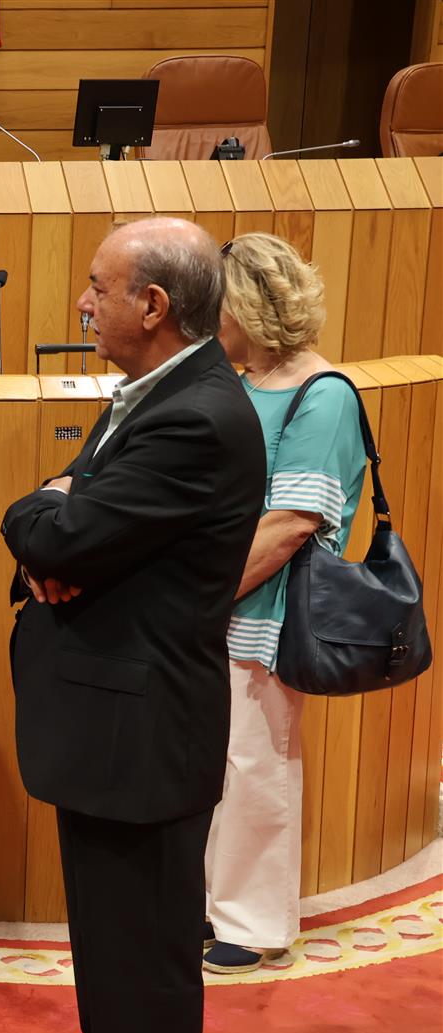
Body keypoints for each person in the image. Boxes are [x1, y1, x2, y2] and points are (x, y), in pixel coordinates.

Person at [2, 217, 266, 1033]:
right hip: (116, 729)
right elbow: (77, 534)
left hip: (142, 741)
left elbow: (59, 537)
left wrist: (46, 505)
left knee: (144, 964)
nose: (83, 304)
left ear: (153, 305)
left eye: (98, 288)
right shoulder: (166, 392)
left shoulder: (195, 417)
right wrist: (66, 517)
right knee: (114, 954)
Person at [203, 233, 365, 975]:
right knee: (215, 764)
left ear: (250, 307)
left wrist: (199, 596)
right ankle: (212, 904)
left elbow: (289, 526)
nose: (212, 322)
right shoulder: (241, 382)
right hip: (217, 610)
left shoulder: (322, 394)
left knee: (255, 764)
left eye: (221, 307)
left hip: (265, 613)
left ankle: (254, 920)